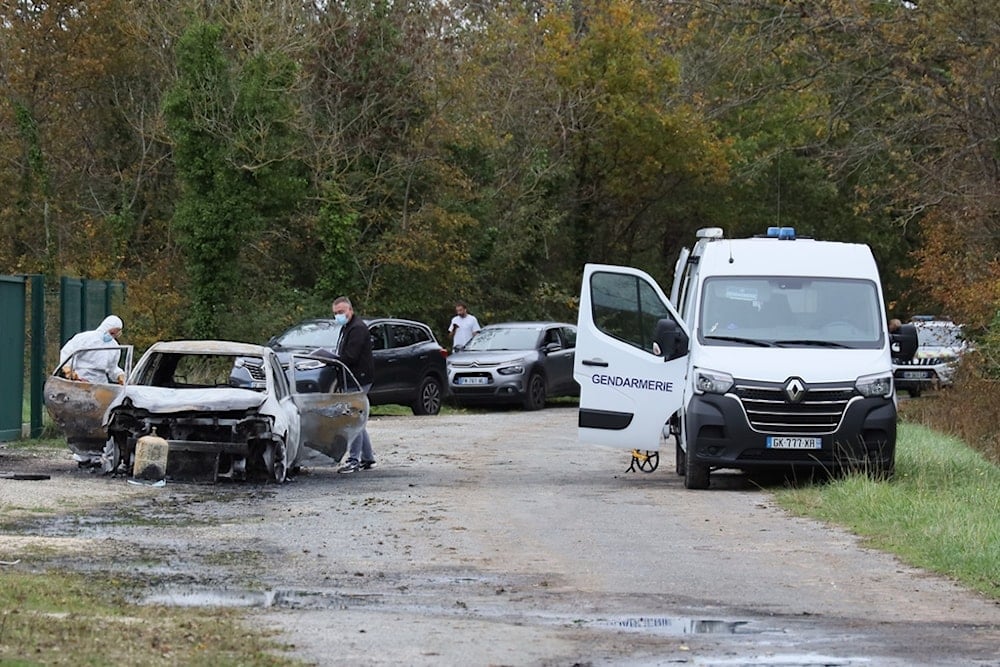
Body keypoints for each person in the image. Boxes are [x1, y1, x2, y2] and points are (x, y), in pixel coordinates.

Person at [331, 296, 377, 474]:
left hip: (358, 378)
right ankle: (367, 457)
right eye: (335, 313)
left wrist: (334, 360)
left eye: (341, 312)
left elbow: (351, 356)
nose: (338, 316)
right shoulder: (347, 327)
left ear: (350, 310)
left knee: (354, 420)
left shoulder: (357, 328)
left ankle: (354, 460)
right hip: (353, 378)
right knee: (358, 420)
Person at [58, 315, 126, 384]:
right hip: (80, 379)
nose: (112, 336)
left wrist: (119, 375)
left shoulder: (114, 346)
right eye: (111, 333)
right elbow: (69, 351)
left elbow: (112, 367)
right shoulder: (86, 338)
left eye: (115, 334)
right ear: (105, 328)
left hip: (101, 383)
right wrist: (68, 368)